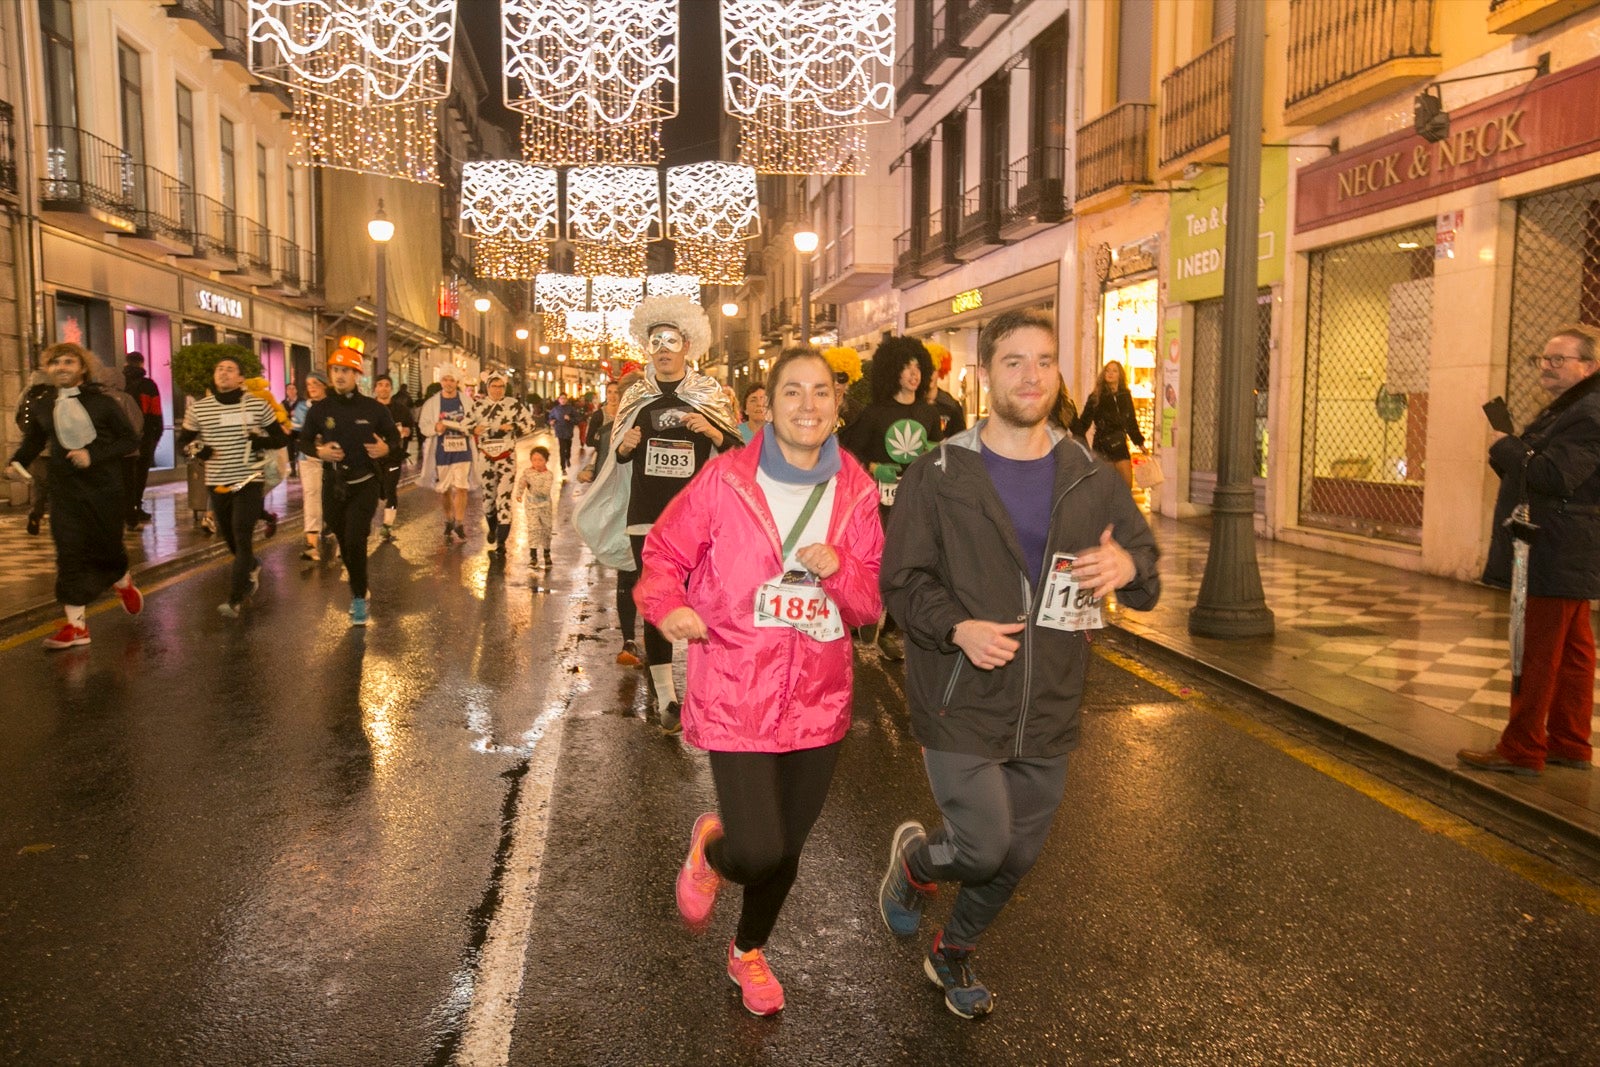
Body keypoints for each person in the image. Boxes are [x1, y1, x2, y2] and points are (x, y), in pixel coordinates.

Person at [876, 309, 1160, 1018]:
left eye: (1043, 361)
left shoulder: (1090, 474)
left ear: (1058, 373)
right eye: (1012, 361)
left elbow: (1147, 571)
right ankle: (917, 863)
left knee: (1017, 858)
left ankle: (954, 951)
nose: (1030, 376)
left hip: (1052, 701)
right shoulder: (938, 474)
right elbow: (902, 582)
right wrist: (958, 628)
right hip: (959, 691)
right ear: (984, 375)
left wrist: (1128, 561)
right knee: (980, 846)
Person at [636, 347, 883, 1017]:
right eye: (793, 392)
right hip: (735, 685)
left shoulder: (855, 490)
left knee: (787, 850)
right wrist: (671, 607)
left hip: (818, 699)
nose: (809, 404)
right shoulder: (723, 480)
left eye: (822, 392)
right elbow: (661, 556)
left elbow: (868, 604)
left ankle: (747, 950)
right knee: (756, 846)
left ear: (837, 407)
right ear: (766, 406)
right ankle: (713, 850)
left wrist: (839, 570)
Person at [573, 295, 742, 732]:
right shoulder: (636, 396)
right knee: (658, 605)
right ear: (647, 349)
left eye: (671, 340)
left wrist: (714, 433)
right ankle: (667, 697)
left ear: (688, 345)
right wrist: (624, 448)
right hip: (646, 515)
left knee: (705, 604)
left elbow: (738, 458)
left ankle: (717, 687)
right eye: (655, 341)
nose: (663, 348)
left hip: (697, 521)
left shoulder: (709, 396)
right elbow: (621, 460)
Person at [1459, 325, 1600, 776]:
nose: (1547, 367)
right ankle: (1570, 742)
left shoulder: (1588, 413)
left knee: (1535, 650)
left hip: (1555, 545)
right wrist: (1514, 451)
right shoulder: (1575, 407)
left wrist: (1507, 447)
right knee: (1576, 649)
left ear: (1589, 366)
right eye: (1543, 358)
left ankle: (1521, 748)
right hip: (1567, 543)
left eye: (1559, 360)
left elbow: (1555, 477)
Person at [7, 342, 145, 649]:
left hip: (104, 490)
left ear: (81, 367)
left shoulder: (104, 403)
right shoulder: (44, 404)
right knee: (68, 554)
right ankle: (76, 626)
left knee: (106, 548)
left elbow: (130, 439)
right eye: (55, 363)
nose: (62, 368)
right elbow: (33, 441)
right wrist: (16, 463)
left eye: (68, 362)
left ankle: (121, 579)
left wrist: (92, 456)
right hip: (65, 491)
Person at [838, 336, 944, 661]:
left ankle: (890, 630)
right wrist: (873, 466)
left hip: (915, 500)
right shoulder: (873, 414)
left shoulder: (928, 412)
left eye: (917, 367)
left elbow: (940, 451)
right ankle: (866, 612)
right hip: (877, 502)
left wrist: (931, 452)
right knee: (876, 562)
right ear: (892, 372)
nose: (913, 374)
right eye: (906, 367)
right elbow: (849, 451)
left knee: (906, 561)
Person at [178, 353, 288, 617]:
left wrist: (258, 441)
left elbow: (280, 439)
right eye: (219, 368)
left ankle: (235, 599)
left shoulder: (257, 406)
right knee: (230, 540)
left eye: (230, 369)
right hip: (217, 482)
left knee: (241, 533)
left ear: (241, 378)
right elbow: (184, 442)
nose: (223, 372)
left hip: (249, 480)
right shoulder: (199, 408)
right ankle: (251, 565)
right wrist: (198, 451)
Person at [300, 346, 400, 626]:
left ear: (357, 374)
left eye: (346, 370)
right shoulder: (321, 409)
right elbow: (304, 441)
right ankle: (359, 585)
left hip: (364, 483)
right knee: (345, 543)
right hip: (333, 484)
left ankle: (358, 597)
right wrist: (319, 452)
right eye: (336, 370)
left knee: (356, 539)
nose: (340, 375)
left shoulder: (373, 408)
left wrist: (384, 449)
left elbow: (395, 441)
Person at [579, 373, 644, 665]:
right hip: (623, 509)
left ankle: (653, 642)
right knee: (628, 574)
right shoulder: (609, 431)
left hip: (653, 512)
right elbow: (603, 467)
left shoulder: (659, 425)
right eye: (626, 395)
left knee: (652, 576)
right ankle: (629, 639)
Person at [469, 369, 534, 556]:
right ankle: (492, 527)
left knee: (503, 499)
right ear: (487, 387)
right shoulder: (478, 406)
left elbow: (530, 424)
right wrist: (475, 429)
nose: (497, 390)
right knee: (488, 499)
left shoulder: (513, 405)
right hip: (486, 458)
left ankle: (501, 543)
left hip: (506, 457)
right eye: (494, 386)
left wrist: (513, 426)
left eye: (501, 386)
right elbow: (465, 425)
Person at [418, 371, 476, 544]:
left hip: (462, 449)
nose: (449, 383)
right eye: (445, 380)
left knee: (462, 487)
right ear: (441, 382)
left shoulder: (466, 402)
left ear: (457, 382)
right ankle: (449, 518)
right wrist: (436, 428)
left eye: (452, 380)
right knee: (444, 489)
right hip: (441, 451)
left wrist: (468, 427)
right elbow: (423, 426)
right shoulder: (432, 403)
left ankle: (459, 523)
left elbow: (475, 421)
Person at [1071, 359, 1146, 487]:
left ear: (1120, 375)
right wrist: (1071, 421)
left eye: (1114, 371)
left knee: (1127, 485)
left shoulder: (1125, 396)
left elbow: (1131, 421)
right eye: (1108, 370)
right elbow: (1084, 423)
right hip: (1102, 445)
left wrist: (1139, 443)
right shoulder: (1096, 396)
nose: (1110, 373)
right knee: (1105, 488)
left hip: (1120, 444)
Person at [292, 373, 333, 561]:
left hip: (333, 458)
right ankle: (311, 543)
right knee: (312, 496)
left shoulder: (334, 406)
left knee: (331, 495)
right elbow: (298, 435)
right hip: (308, 458)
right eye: (308, 384)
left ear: (325, 385)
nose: (312, 387)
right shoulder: (302, 407)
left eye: (316, 383)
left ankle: (331, 524)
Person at [122, 352, 162, 526]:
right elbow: (156, 412)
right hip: (145, 436)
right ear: (142, 364)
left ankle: (126, 508)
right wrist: (156, 434)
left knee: (125, 473)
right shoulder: (148, 385)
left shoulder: (120, 384)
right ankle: (136, 505)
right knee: (140, 473)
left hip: (123, 437)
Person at [15, 366, 56, 536]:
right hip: (57, 448)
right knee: (57, 486)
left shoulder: (27, 393)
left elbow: (16, 415)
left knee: (39, 485)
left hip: (36, 449)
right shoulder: (56, 393)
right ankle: (56, 520)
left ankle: (35, 513)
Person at [373, 374, 415, 541]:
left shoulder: (401, 410)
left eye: (386, 385)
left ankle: (387, 526)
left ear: (391, 388)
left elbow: (410, 427)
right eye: (380, 385)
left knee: (390, 490)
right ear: (375, 388)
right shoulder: (368, 409)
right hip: (372, 457)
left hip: (393, 456)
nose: (383, 388)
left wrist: (406, 431)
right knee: (373, 492)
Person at [515, 445, 556, 568]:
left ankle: (547, 553)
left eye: (540, 460)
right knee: (533, 529)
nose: (537, 463)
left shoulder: (548, 475)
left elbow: (545, 490)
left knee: (546, 529)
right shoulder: (527, 472)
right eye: (534, 460)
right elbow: (522, 482)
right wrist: (519, 493)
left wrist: (532, 484)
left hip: (545, 506)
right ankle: (533, 557)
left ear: (546, 461)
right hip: (531, 506)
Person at [921, 343, 968, 438]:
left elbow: (961, 442)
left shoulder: (951, 406)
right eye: (925, 369)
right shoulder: (911, 403)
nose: (929, 375)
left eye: (933, 369)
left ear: (939, 371)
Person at [548, 394, 576, 473]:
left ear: (567, 399)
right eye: (561, 398)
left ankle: (568, 458)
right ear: (558, 400)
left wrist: (570, 418)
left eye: (564, 398)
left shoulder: (571, 409)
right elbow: (550, 417)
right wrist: (551, 421)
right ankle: (562, 467)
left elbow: (577, 419)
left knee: (568, 448)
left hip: (568, 431)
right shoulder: (555, 409)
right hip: (560, 431)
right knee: (562, 449)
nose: (563, 400)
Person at [282, 381, 300, 478]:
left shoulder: (302, 402)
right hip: (288, 431)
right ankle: (293, 470)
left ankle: (300, 468)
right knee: (290, 450)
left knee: (299, 449)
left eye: (293, 389)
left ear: (296, 390)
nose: (291, 391)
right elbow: (281, 416)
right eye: (289, 389)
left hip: (299, 430)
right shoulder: (283, 403)